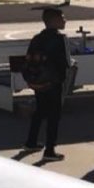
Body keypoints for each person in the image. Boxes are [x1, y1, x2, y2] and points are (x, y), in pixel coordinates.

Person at [23, 8, 72, 161]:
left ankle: (31, 142)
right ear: (54, 21)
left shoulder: (36, 38)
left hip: (38, 81)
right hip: (53, 82)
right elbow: (65, 62)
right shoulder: (60, 39)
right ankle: (49, 150)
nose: (65, 20)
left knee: (40, 111)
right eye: (62, 18)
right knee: (54, 115)